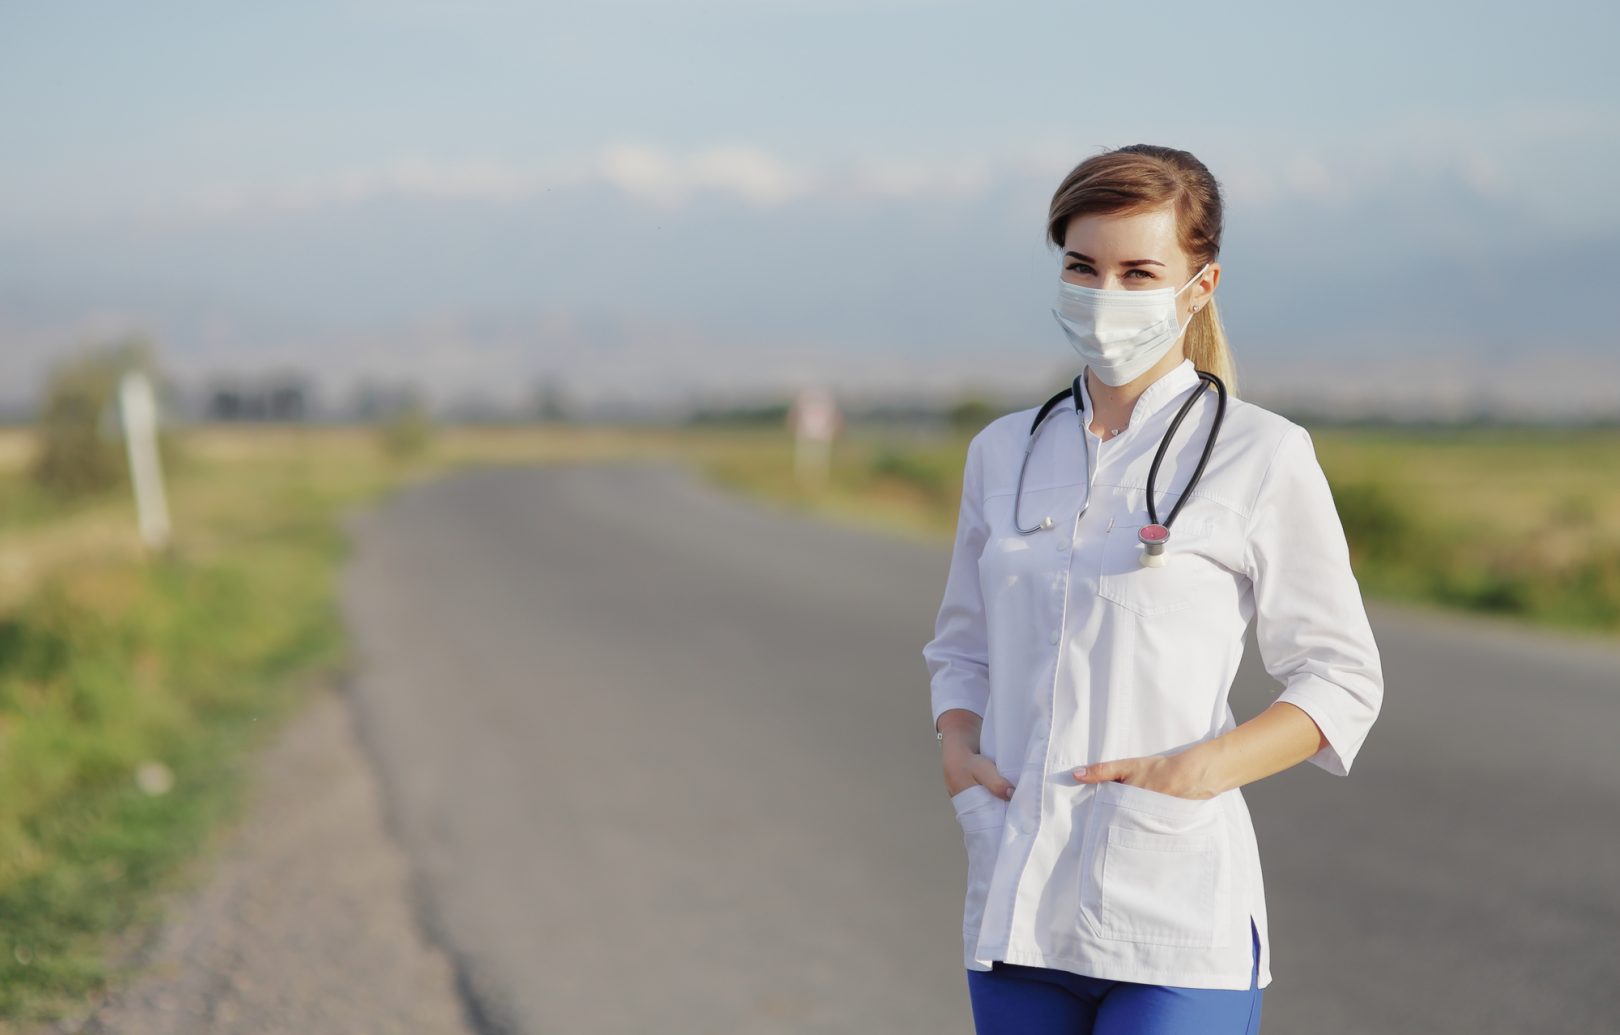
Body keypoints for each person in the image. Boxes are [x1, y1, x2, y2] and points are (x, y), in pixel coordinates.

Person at [921, 143, 1385, 1035]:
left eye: (1139, 271)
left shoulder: (1261, 453)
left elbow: (1341, 676)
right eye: (1083, 266)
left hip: (1174, 916)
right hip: (1018, 908)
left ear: (1199, 286)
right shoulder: (1004, 452)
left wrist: (1199, 770)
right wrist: (957, 746)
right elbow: (961, 643)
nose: (1107, 294)